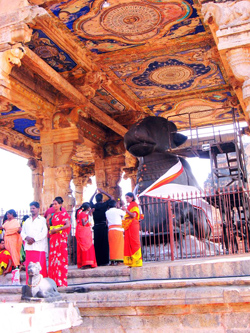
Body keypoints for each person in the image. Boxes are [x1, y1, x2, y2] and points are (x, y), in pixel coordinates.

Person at [21, 201, 48, 283]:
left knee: (39, 267)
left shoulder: (42, 220)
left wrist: (34, 239)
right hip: (29, 248)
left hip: (39, 247)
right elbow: (22, 232)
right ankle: (29, 285)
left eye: (33, 208)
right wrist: (27, 238)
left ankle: (41, 285)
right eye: (31, 208)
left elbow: (44, 232)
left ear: (38, 209)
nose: (32, 210)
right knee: (29, 267)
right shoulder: (27, 221)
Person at [47, 196, 71, 287]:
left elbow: (67, 225)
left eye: (56, 204)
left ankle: (61, 280)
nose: (54, 205)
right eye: (53, 204)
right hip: (53, 238)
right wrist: (48, 221)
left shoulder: (64, 214)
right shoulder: (52, 215)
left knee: (61, 258)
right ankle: (53, 280)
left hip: (60, 238)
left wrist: (57, 229)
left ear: (60, 204)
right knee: (53, 258)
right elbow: (50, 227)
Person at [90, 188, 113, 266]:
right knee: (104, 244)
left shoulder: (94, 206)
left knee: (97, 244)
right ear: (102, 199)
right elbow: (112, 198)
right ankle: (105, 261)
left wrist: (93, 193)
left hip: (96, 227)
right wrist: (104, 191)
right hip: (103, 226)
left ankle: (98, 261)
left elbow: (90, 201)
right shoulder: (104, 205)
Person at [122, 192, 143, 267]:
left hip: (133, 224)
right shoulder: (130, 205)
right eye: (126, 198)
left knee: (134, 241)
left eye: (127, 198)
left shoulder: (134, 204)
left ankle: (137, 261)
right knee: (129, 242)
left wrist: (125, 210)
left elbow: (134, 215)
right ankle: (131, 261)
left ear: (132, 197)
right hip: (129, 225)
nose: (126, 199)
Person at [75, 202, 97, 269]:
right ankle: (86, 263)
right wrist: (88, 219)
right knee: (85, 247)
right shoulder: (82, 214)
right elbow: (84, 223)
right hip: (83, 232)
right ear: (87, 208)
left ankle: (89, 262)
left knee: (88, 246)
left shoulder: (82, 213)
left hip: (86, 232)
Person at [105, 200, 125, 266]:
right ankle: (119, 261)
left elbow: (107, 221)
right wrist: (119, 207)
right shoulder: (118, 211)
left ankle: (112, 261)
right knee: (119, 246)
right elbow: (125, 214)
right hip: (118, 229)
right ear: (115, 205)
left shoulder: (107, 212)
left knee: (112, 246)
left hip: (110, 230)